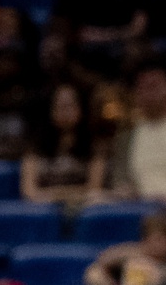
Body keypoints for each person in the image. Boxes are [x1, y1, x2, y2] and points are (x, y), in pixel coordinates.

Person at [22, 81, 106, 208]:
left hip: (82, 210)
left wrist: (57, 194)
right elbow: (29, 192)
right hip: (43, 212)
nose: (65, 111)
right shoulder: (36, 148)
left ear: (81, 109)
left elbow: (94, 189)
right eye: (60, 106)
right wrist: (64, 195)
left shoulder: (94, 147)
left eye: (70, 106)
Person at [112, 61, 166, 198]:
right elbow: (120, 179)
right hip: (139, 208)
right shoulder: (126, 135)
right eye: (142, 88)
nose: (149, 93)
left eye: (154, 86)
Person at [83, 211, 166, 285]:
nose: (159, 244)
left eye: (162, 238)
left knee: (142, 267)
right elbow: (104, 259)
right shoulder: (135, 251)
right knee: (95, 273)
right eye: (156, 239)